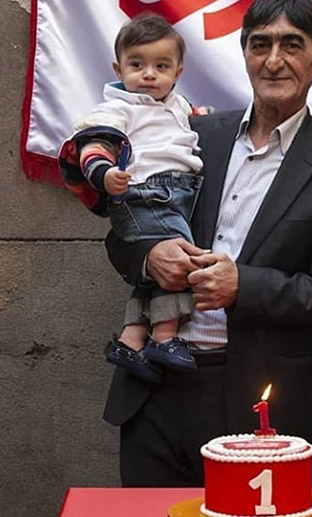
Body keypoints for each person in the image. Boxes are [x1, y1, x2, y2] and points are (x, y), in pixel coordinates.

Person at [102, 0, 312, 487]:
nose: (274, 60)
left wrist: (241, 286)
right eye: (260, 44)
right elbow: (123, 231)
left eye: (292, 45)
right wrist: (149, 256)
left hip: (256, 399)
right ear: (244, 53)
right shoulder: (191, 134)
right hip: (156, 390)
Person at [65, 13, 205, 382]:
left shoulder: (177, 105)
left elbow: (190, 119)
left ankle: (131, 339)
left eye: (161, 66)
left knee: (154, 274)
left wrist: (202, 115)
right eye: (137, 65)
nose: (149, 75)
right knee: (179, 261)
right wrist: (105, 174)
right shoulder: (117, 107)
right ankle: (165, 337)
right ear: (118, 68)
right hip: (144, 193)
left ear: (177, 72)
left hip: (175, 192)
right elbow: (93, 145)